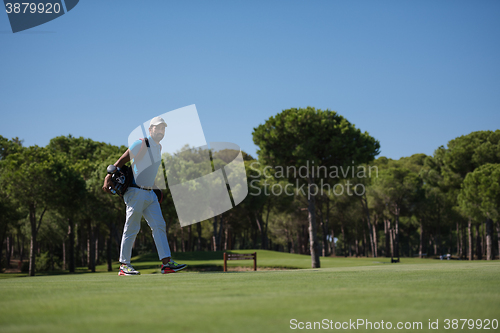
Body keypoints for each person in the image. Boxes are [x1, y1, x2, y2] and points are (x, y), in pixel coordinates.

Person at [103, 116, 187, 275]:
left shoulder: (159, 147)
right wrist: (108, 177)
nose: (161, 131)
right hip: (135, 192)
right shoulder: (140, 143)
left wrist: (156, 188)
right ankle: (124, 265)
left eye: (163, 128)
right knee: (132, 228)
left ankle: (166, 264)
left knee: (159, 226)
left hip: (150, 194)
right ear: (150, 129)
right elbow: (121, 160)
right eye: (157, 128)